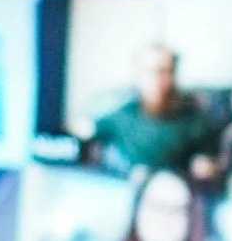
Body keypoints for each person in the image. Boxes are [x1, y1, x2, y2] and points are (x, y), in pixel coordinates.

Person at [92, 43, 224, 177]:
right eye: (150, 71)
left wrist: (206, 167)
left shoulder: (197, 122)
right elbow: (85, 131)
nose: (158, 79)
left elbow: (212, 160)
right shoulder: (121, 116)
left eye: (166, 71)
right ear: (138, 75)